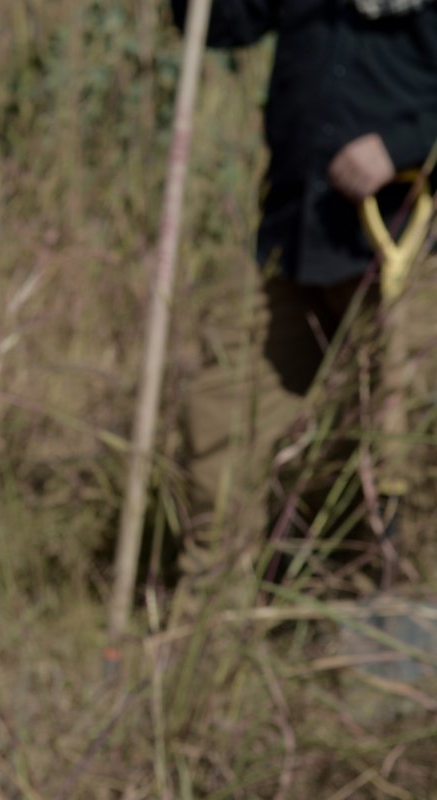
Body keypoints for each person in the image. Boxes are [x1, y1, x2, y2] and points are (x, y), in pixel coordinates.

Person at [173, 0, 437, 573]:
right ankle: (209, 621)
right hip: (295, 237)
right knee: (221, 412)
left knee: (399, 449)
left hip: (407, 247)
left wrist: (402, 143)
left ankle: (392, 622)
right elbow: (222, 23)